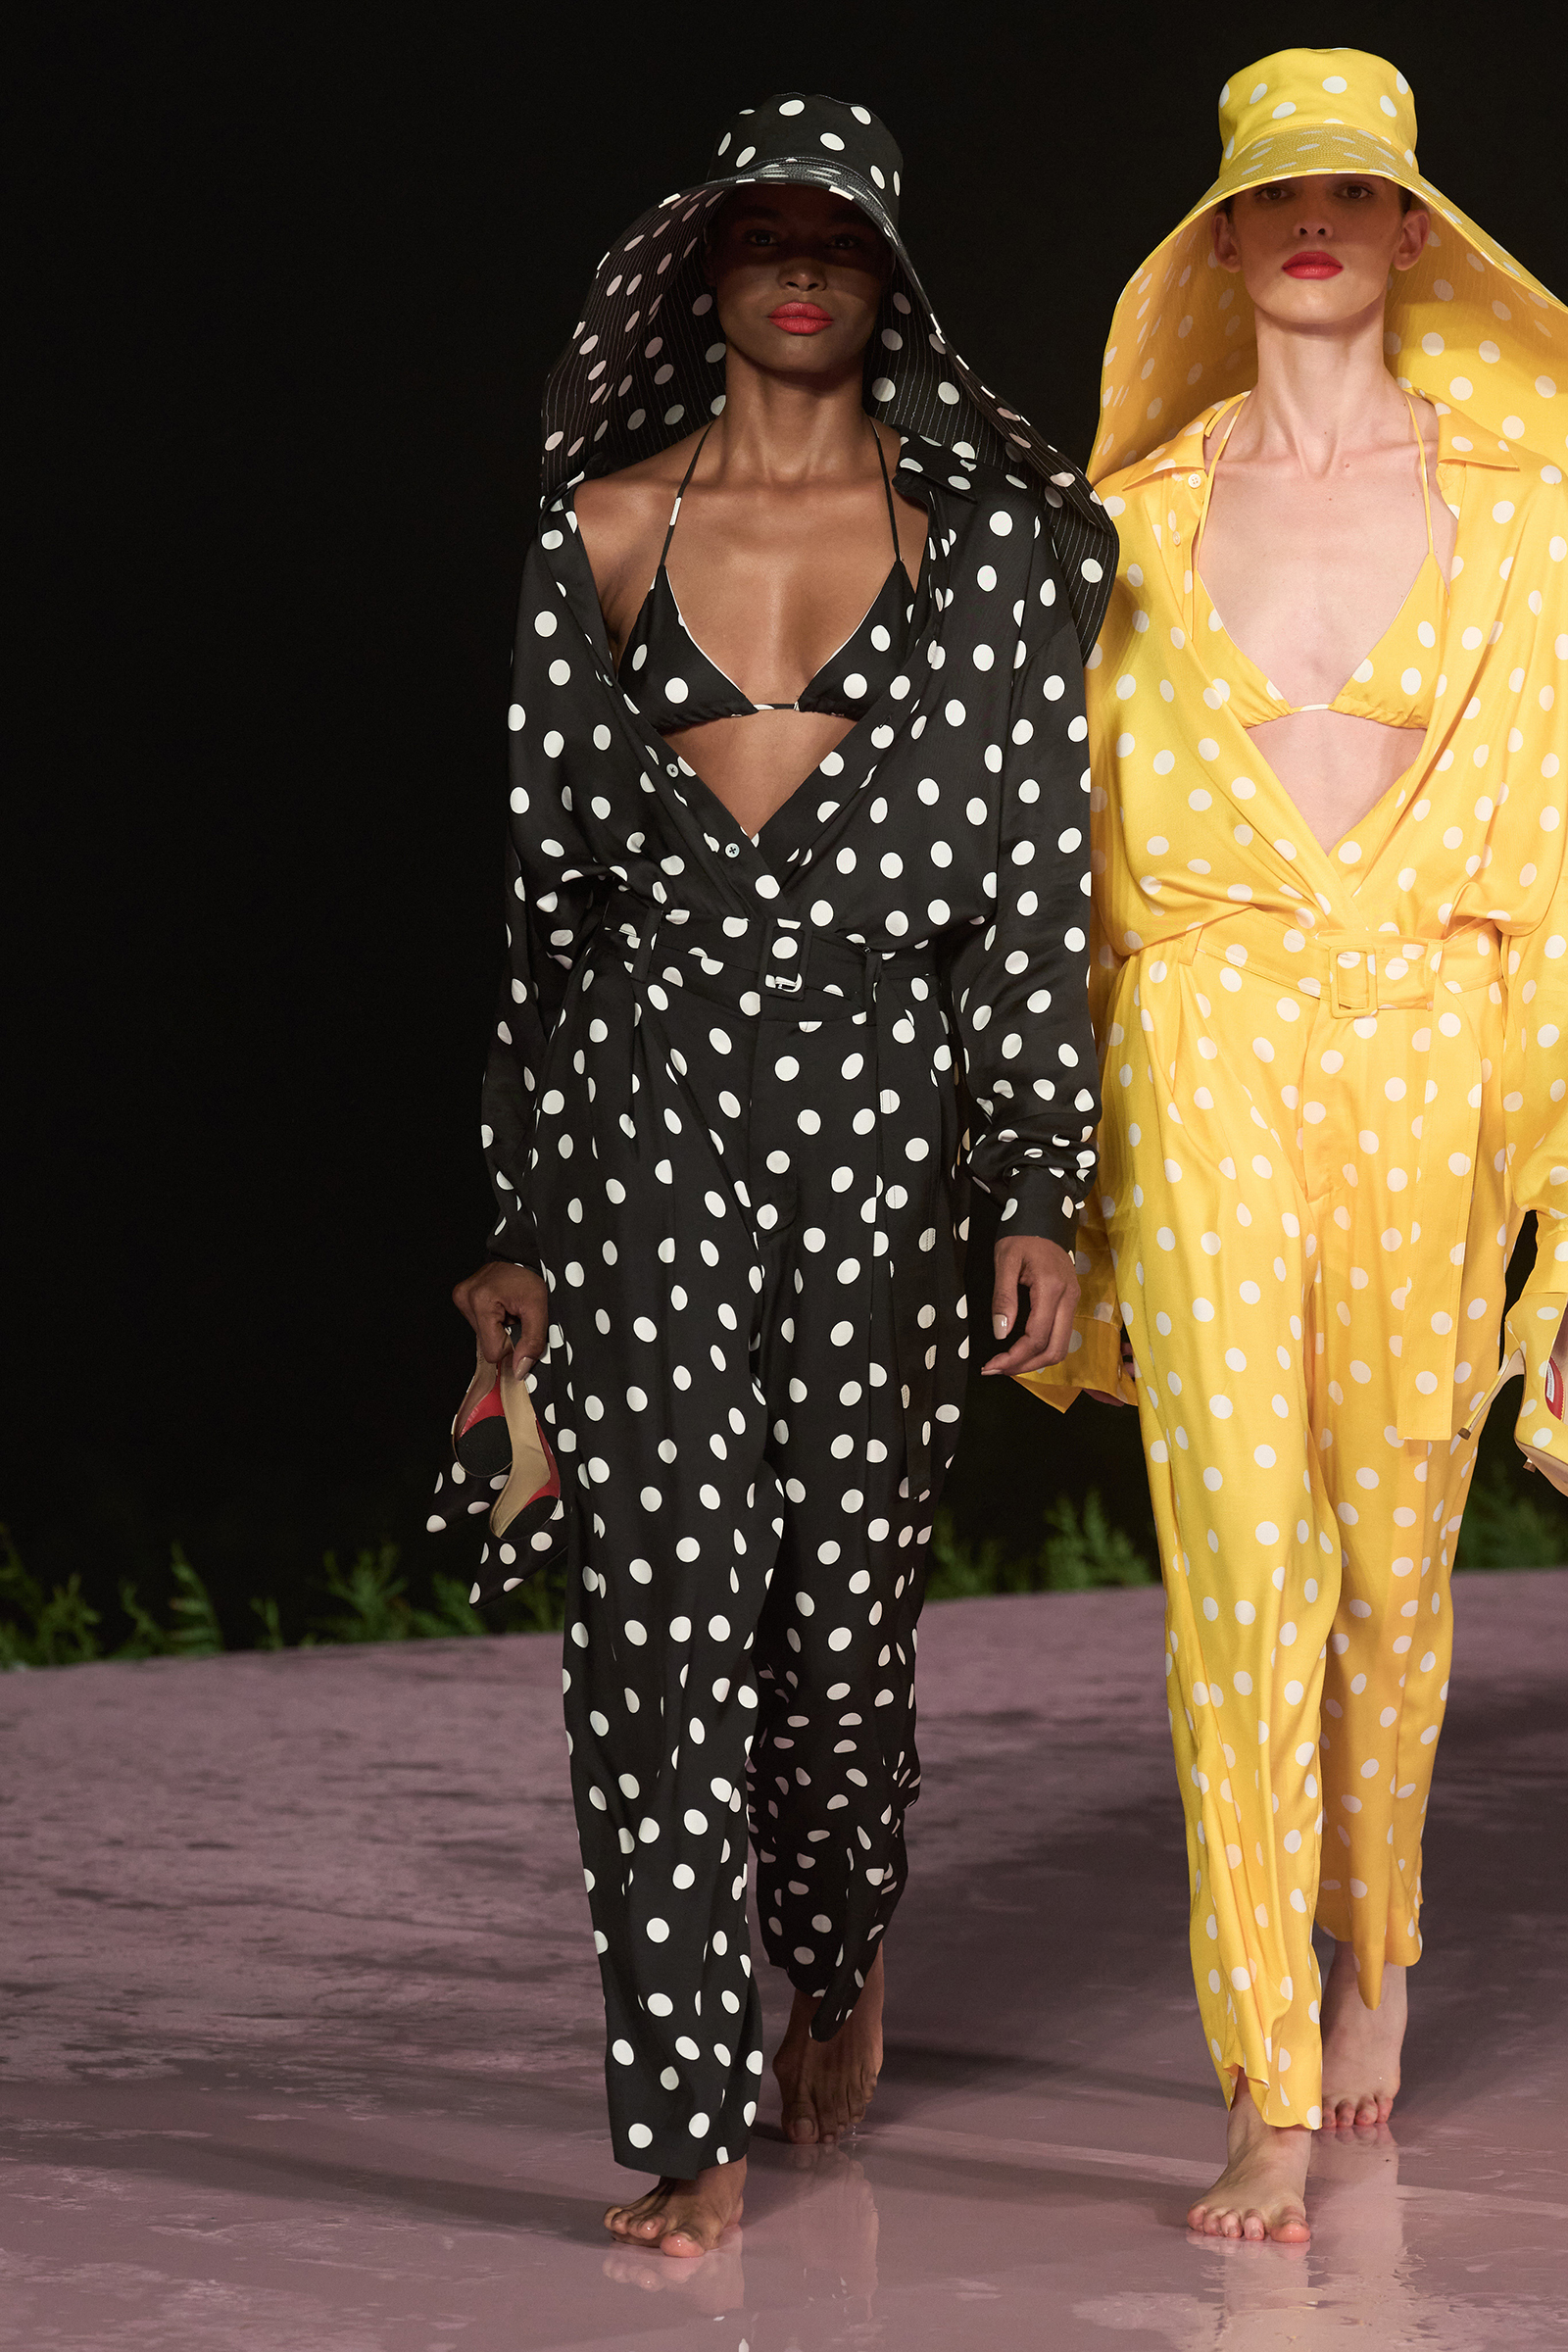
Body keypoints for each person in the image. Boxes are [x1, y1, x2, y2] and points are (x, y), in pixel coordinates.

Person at [445, 92, 1115, 2256]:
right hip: (646, 1117)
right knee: (652, 1622)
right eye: (765, 232)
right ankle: (685, 2105)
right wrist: (517, 1221)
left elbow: (1026, 897)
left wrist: (1037, 1180)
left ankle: (833, 1946)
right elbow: (548, 909)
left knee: (836, 1632)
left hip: (886, 1129)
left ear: (889, 276)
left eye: (841, 235)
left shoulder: (986, 549)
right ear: (705, 268)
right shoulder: (597, 529)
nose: (803, 264)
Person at [1025, 46, 1567, 2242]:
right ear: (1225, 235)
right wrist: (1049, 1184)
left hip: (1438, 1046)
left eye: (1354, 191)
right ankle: (1259, 2061)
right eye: (1278, 195)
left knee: (1393, 1555)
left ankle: (1375, 1948)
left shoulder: (1527, 505)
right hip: (1208, 1041)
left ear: (1415, 228)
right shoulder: (1131, 522)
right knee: (1241, 1557)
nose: (1318, 225)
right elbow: (1067, 878)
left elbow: (1556, 878)